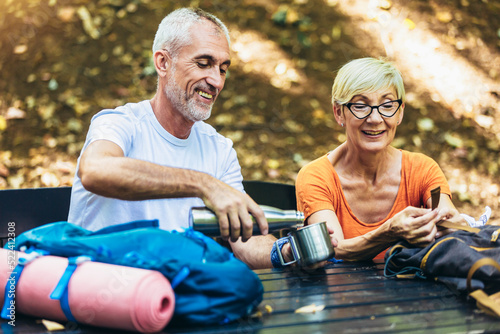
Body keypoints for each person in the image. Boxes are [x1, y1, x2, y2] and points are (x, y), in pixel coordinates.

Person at [67, 7, 270, 267]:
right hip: (102, 288)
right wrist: (203, 184)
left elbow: (245, 239)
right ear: (163, 63)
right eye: (203, 63)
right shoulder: (120, 124)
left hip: (174, 295)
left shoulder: (219, 149)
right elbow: (95, 170)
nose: (216, 81)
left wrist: (289, 252)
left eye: (223, 69)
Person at [294, 57, 467, 261]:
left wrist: (450, 227)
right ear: (339, 113)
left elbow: (448, 221)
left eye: (387, 105)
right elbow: (331, 252)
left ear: (399, 113)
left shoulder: (423, 169)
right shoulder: (316, 177)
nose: (375, 119)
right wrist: (388, 233)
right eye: (360, 106)